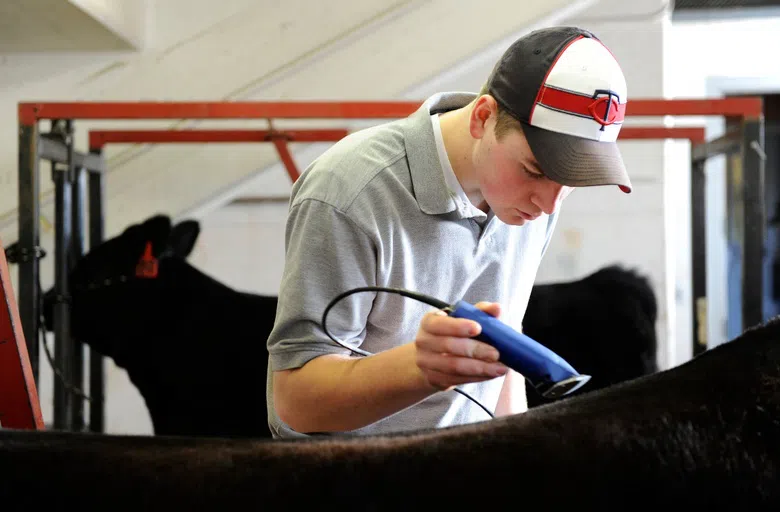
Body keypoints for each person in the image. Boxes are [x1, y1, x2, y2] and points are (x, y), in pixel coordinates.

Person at [265, 25, 632, 438]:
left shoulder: (533, 205)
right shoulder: (348, 191)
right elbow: (296, 403)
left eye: (571, 182)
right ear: (483, 118)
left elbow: (503, 350)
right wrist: (420, 367)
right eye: (534, 170)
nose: (549, 205)